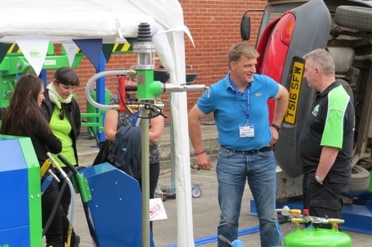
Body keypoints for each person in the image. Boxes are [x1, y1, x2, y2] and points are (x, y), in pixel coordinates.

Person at [188, 42, 289, 247]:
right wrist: (200, 151)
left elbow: (284, 94)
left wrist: (276, 126)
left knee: (268, 217)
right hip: (230, 159)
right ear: (233, 66)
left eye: (254, 64)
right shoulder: (216, 91)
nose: (253, 69)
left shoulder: (263, 83)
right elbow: (193, 116)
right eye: (247, 66)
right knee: (228, 219)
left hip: (263, 157)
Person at [0, 74, 65, 246]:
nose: (43, 98)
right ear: (31, 94)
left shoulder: (8, 116)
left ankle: (73, 239)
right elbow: (57, 146)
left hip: (19, 180)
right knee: (56, 234)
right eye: (42, 93)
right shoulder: (34, 117)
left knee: (53, 221)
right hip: (41, 179)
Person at [299, 48, 355, 224]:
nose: (304, 76)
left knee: (324, 234)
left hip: (326, 183)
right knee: (315, 232)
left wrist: (318, 178)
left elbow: (332, 145)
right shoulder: (327, 96)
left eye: (306, 71)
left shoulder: (335, 99)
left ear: (317, 71)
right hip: (319, 181)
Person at [104, 69, 164, 217]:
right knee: (122, 204)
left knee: (147, 204)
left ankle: (147, 238)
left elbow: (155, 135)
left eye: (134, 81)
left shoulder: (153, 102)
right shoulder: (117, 101)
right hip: (121, 159)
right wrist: (140, 135)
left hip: (148, 161)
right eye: (128, 80)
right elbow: (109, 133)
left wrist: (125, 134)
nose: (130, 84)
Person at [41, 67, 81, 246]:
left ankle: (67, 240)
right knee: (52, 209)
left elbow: (76, 129)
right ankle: (68, 239)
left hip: (68, 161)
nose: (69, 92)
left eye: (73, 88)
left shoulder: (72, 103)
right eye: (66, 87)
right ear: (54, 83)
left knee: (63, 208)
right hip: (49, 164)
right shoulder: (43, 101)